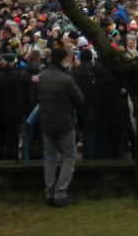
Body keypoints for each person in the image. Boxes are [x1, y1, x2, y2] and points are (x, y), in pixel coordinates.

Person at [36, 47, 83, 207]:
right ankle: (60, 192)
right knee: (69, 156)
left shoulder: (42, 76)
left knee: (50, 157)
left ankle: (49, 191)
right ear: (62, 60)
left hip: (47, 121)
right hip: (64, 122)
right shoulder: (66, 80)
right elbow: (79, 99)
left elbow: (35, 96)